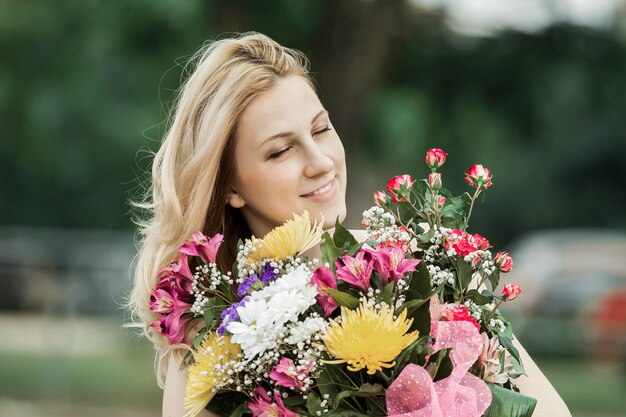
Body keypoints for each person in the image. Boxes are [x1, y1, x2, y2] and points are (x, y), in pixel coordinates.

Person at [129, 32, 571, 417]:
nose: (320, 162)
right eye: (281, 151)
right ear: (230, 187)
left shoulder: (414, 265)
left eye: (321, 129)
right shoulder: (211, 344)